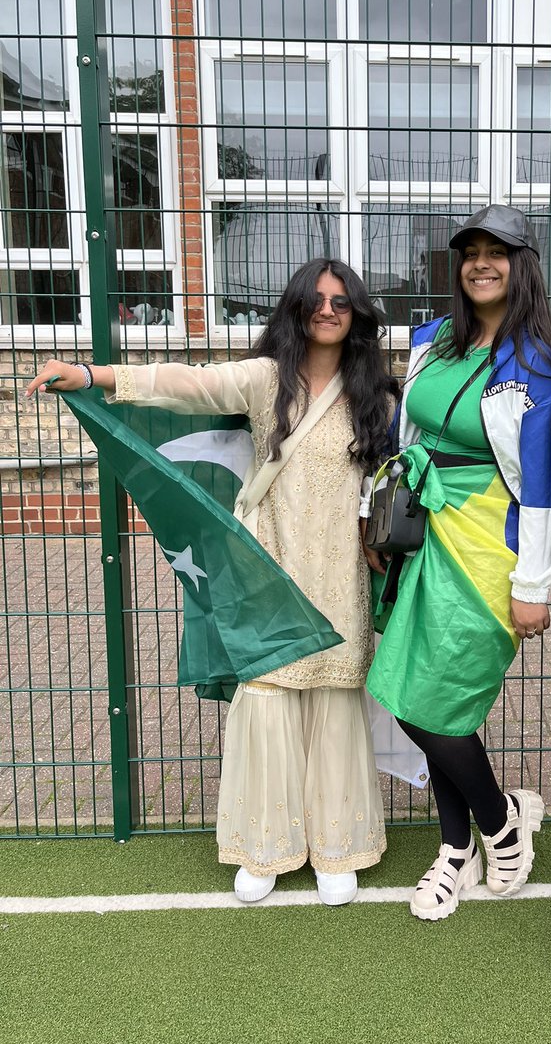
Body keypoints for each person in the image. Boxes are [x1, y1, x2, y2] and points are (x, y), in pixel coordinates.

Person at [28, 259, 398, 906]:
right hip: (266, 560)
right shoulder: (264, 380)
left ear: (357, 312)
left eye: (342, 301)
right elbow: (187, 384)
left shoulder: (376, 394)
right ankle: (265, 846)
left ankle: (336, 846)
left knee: (335, 700)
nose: (328, 310)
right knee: (267, 696)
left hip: (341, 567)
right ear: (295, 306)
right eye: (316, 298)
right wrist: (92, 374)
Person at [365, 205, 551, 921]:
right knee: (416, 691)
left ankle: (500, 823)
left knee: (440, 703)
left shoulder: (537, 360)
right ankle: (460, 845)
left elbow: (543, 482)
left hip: (490, 542)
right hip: (423, 529)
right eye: (470, 251)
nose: (481, 263)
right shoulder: (431, 342)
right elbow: (403, 435)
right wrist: (377, 515)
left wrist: (532, 584)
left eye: (497, 252)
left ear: (522, 266)